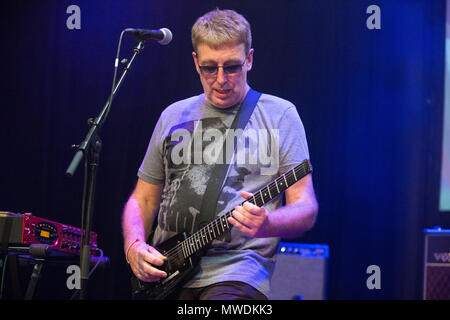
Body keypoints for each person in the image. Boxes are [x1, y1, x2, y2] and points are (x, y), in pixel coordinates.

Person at [122, 8, 318, 300]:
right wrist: (133, 245)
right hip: (166, 274)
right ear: (195, 63)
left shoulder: (280, 115)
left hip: (237, 271)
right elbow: (144, 199)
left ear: (249, 59)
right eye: (209, 68)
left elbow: (306, 208)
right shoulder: (173, 115)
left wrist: (267, 224)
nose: (221, 79)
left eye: (232, 67)